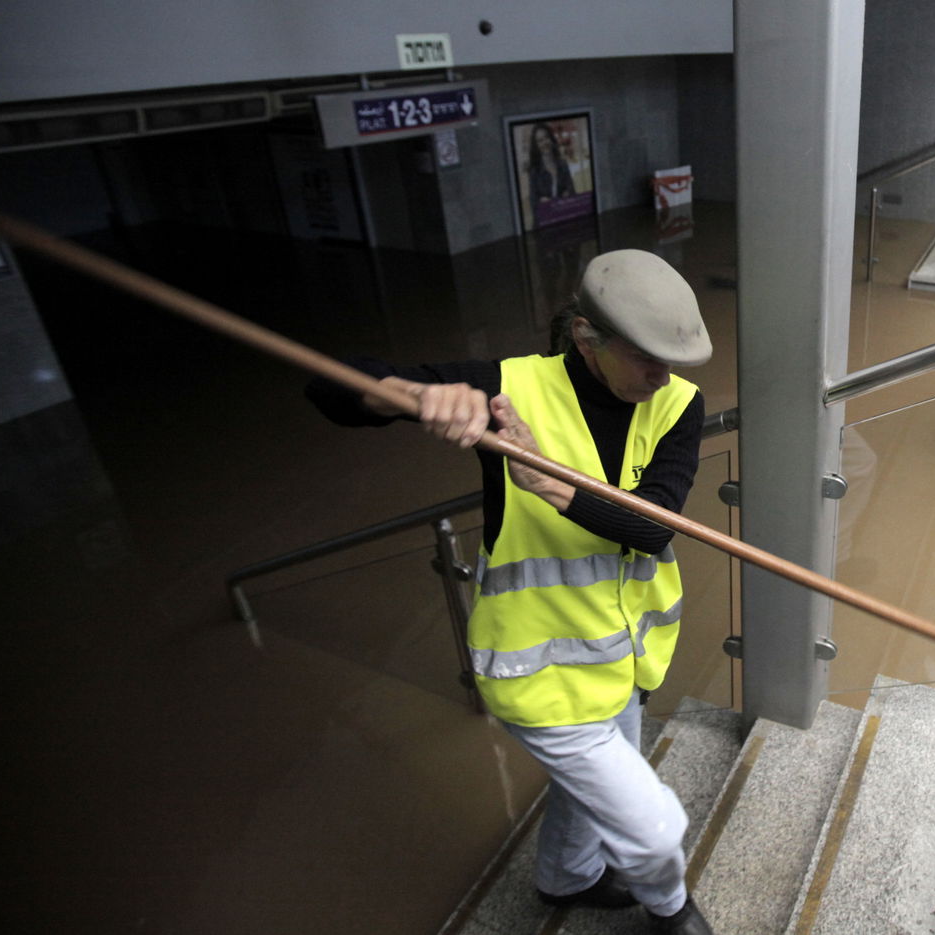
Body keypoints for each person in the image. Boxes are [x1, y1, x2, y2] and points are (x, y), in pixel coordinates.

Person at [306, 249, 716, 935]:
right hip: (539, 670)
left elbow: (649, 526)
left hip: (623, 657)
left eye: (670, 359)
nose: (660, 374)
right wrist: (408, 396)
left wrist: (548, 479)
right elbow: (330, 386)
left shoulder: (678, 404)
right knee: (651, 828)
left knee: (589, 792)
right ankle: (672, 913)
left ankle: (564, 879)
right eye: (645, 355)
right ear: (587, 337)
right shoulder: (504, 388)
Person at [527, 122, 577, 203]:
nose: (544, 143)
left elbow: (572, 190)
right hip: (548, 214)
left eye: (546, 137)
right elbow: (533, 201)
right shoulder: (534, 171)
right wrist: (541, 201)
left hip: (565, 211)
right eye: (540, 140)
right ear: (536, 145)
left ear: (551, 138)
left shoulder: (563, 164)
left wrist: (568, 193)